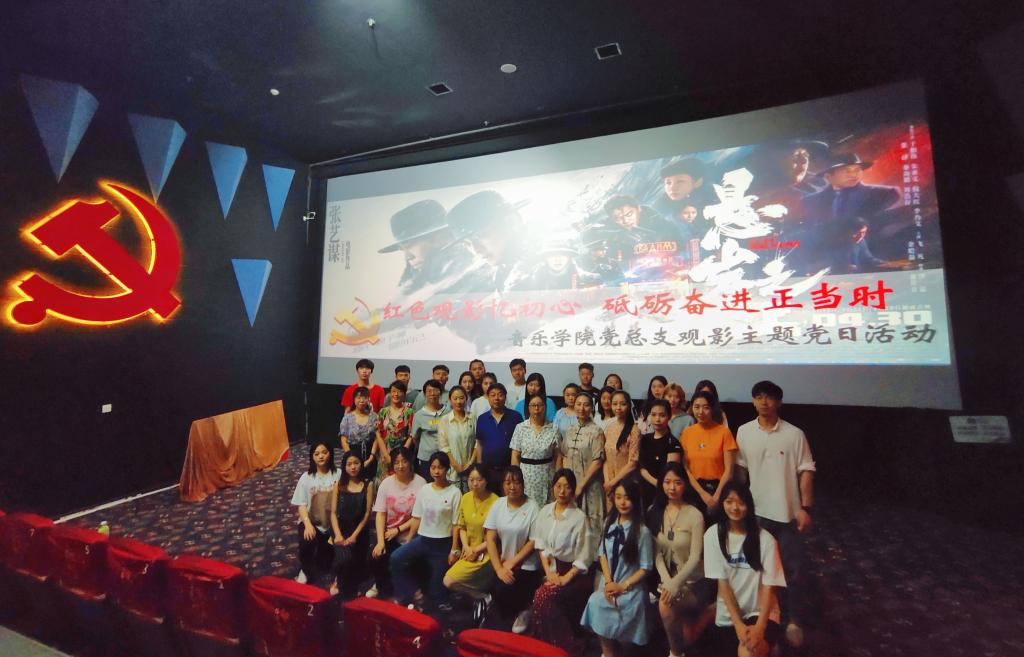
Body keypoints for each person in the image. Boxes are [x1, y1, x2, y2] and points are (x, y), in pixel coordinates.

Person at [735, 381, 816, 649]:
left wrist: (805, 508)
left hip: (787, 515)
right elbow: (740, 472)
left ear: (779, 402)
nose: (764, 402)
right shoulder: (744, 432)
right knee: (758, 569)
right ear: (753, 401)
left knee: (792, 571)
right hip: (756, 514)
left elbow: (806, 471)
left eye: (769, 397)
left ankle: (793, 620)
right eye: (759, 397)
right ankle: (765, 617)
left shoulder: (794, 434)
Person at [703, 480, 786, 657]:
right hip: (729, 614)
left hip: (762, 613)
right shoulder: (712, 536)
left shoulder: (766, 540)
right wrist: (739, 624)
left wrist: (760, 628)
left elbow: (769, 587)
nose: (735, 507)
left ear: (749, 505)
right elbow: (723, 585)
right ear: (722, 503)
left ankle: (769, 645)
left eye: (741, 502)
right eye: (729, 501)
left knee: (748, 652)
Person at [647, 463, 715, 657]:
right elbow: (657, 554)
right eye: (667, 482)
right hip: (668, 581)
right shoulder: (654, 511)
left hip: (695, 582)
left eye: (677, 482)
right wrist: (668, 582)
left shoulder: (695, 515)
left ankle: (676, 653)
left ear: (685, 484)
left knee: (665, 606)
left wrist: (674, 584)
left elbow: (695, 557)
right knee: (669, 610)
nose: (672, 487)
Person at [526, 469, 597, 653]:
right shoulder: (545, 512)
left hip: (574, 574)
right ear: (553, 487)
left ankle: (561, 645)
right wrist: (549, 573)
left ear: (573, 490)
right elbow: (541, 546)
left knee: (543, 596)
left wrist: (565, 578)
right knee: (542, 594)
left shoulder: (579, 518)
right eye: (558, 486)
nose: (562, 491)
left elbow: (585, 556)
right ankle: (546, 642)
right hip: (552, 569)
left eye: (567, 487)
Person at [580, 479, 654, 655]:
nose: (622, 502)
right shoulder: (609, 522)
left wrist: (622, 586)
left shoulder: (642, 531)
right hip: (610, 584)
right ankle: (608, 653)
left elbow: (646, 567)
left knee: (626, 616)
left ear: (634, 500)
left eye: (627, 498)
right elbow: (602, 554)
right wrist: (608, 582)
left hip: (630, 587)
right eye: (619, 497)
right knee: (595, 602)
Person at [391, 452, 462, 611]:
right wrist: (409, 539)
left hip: (442, 545)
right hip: (423, 540)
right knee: (396, 558)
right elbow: (417, 517)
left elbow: (456, 524)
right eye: (433, 467)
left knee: (436, 593)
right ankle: (407, 594)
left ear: (447, 469)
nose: (436, 471)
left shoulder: (455, 492)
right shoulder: (425, 490)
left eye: (440, 468)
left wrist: (454, 549)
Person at [377, 199, 477, 297]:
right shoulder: (418, 288)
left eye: (409, 246)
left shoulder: (476, 277)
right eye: (402, 249)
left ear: (440, 237)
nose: (407, 257)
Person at [484, 467, 541, 633]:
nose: (512, 487)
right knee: (495, 586)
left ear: (523, 484)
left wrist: (511, 563)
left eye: (516, 482)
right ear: (503, 485)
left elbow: (533, 542)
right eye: (508, 482)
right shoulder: (498, 504)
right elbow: (490, 538)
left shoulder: (532, 507)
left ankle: (525, 609)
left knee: (502, 590)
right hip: (504, 563)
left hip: (526, 565)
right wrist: (499, 568)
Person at [446, 190, 533, 293]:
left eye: (480, 235)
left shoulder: (539, 268)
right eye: (467, 244)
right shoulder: (502, 273)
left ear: (511, 222)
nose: (476, 250)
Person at [369, 446, 426, 599]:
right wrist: (380, 541)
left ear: (411, 462)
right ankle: (382, 587)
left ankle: (409, 591)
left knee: (407, 559)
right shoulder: (386, 483)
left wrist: (399, 530)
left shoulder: (421, 483)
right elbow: (380, 514)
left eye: (404, 461)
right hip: (389, 532)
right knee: (376, 554)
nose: (400, 466)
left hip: (412, 533)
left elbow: (420, 516)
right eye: (396, 462)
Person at [443, 464, 500, 619]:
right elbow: (461, 527)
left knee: (449, 580)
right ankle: (480, 596)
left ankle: (483, 596)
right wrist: (467, 547)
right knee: (448, 580)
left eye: (479, 480)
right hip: (468, 551)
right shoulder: (466, 497)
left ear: (486, 480)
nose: (475, 484)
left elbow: (495, 536)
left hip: (487, 553)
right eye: (471, 480)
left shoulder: (496, 501)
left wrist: (476, 550)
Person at [802, 152, 900, 228]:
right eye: (847, 171)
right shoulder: (810, 201)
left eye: (857, 170)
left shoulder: (884, 194)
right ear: (828, 176)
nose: (853, 175)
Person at [681, 391, 738, 519]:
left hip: (719, 490)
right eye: (696, 407)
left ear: (712, 409)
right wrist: (702, 493)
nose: (700, 412)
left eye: (705, 407)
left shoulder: (724, 433)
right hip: (694, 490)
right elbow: (685, 468)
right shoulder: (687, 433)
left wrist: (716, 496)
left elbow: (729, 470)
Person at [558, 393, 606, 542]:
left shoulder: (596, 431)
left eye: (586, 405)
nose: (581, 408)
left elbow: (597, 461)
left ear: (591, 408)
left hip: (590, 485)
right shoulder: (570, 429)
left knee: (591, 525)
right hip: (571, 485)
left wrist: (580, 486)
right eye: (578, 404)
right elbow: (564, 455)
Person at [291, 442, 341, 584]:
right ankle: (305, 570)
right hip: (312, 521)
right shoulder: (306, 477)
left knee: (325, 564)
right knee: (307, 542)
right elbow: (301, 505)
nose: (321, 456)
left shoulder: (338, 474)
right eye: (317, 454)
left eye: (324, 452)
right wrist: (307, 524)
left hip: (332, 523)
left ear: (330, 453)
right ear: (312, 457)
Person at [330, 451, 374, 598]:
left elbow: (367, 514)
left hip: (359, 530)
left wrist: (355, 535)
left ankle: (342, 582)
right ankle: (338, 581)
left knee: (356, 565)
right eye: (349, 464)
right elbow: (333, 513)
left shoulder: (368, 484)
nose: (353, 467)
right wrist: (337, 535)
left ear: (361, 464)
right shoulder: (338, 484)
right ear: (344, 466)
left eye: (356, 463)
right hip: (340, 529)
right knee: (345, 559)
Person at [511, 393, 561, 506]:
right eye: (533, 405)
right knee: (527, 508)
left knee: (547, 509)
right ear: (528, 408)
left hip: (547, 476)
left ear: (545, 407)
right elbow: (515, 455)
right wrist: (516, 478)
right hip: (526, 477)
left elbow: (558, 456)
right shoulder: (520, 428)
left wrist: (558, 478)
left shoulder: (554, 428)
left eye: (540, 405)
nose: (536, 409)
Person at [475, 383, 524, 494]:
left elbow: (521, 446)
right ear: (488, 398)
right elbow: (479, 444)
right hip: (488, 471)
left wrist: (516, 470)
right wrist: (479, 467)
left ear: (505, 397)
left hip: (508, 471)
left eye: (500, 395)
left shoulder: (516, 417)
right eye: (493, 395)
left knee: (509, 500)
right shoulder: (482, 419)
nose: (496, 398)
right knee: (489, 500)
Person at [637, 399, 682, 508]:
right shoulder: (644, 439)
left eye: (662, 415)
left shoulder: (673, 443)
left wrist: (659, 485)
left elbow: (671, 472)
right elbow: (641, 466)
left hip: (664, 491)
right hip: (643, 489)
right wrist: (653, 481)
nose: (657, 419)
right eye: (653, 415)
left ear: (669, 416)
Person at [602, 390, 641, 511]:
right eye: (615, 404)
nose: (618, 408)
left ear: (629, 406)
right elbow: (606, 459)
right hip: (609, 484)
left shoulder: (634, 430)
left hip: (626, 482)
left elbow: (633, 463)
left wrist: (613, 482)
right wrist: (607, 481)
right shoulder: (608, 428)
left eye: (622, 404)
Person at [376, 380, 416, 481]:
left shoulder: (409, 412)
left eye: (399, 391)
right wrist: (386, 455)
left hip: (403, 456)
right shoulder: (383, 412)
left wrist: (401, 454)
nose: (396, 394)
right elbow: (378, 434)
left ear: (404, 394)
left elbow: (411, 435)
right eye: (393, 391)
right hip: (385, 455)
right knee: (384, 483)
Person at [438, 387, 476, 491]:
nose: (458, 402)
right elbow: (443, 446)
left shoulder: (473, 418)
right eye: (455, 398)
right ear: (450, 400)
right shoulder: (445, 420)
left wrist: (470, 463)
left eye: (461, 398)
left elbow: (477, 443)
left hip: (471, 469)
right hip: (452, 471)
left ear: (466, 399)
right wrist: (455, 465)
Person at [338, 386, 379, 474]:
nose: (361, 400)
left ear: (368, 399)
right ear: (354, 399)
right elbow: (343, 439)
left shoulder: (374, 417)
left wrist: (371, 457)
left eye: (364, 397)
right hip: (352, 457)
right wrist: (351, 458)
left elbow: (376, 438)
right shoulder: (347, 418)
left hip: (370, 456)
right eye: (358, 397)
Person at [411, 380, 446, 479]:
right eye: (429, 391)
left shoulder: (448, 411)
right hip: (426, 458)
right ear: (425, 394)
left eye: (435, 390)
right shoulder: (419, 415)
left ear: (440, 392)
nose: (432, 394)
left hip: (446, 456)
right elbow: (415, 437)